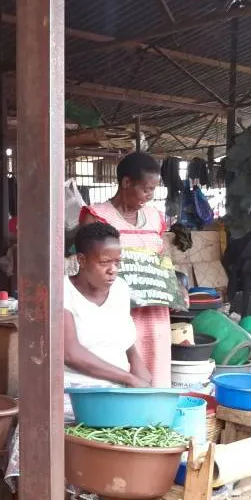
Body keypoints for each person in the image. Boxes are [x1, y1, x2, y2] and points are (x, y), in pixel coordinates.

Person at [2, 221, 151, 500]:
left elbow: (129, 342)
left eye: (118, 261)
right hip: (70, 393)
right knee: (33, 445)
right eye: (105, 262)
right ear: (81, 260)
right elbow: (71, 353)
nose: (113, 269)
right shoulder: (63, 294)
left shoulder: (121, 290)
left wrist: (141, 371)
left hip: (115, 397)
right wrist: (128, 378)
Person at [80, 152, 172, 387]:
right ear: (126, 182)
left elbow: (162, 258)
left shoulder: (155, 217)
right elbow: (90, 262)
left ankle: (155, 414)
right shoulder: (97, 216)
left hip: (153, 310)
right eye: (145, 189)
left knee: (155, 364)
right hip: (115, 308)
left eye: (153, 190)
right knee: (121, 362)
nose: (149, 196)